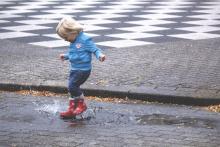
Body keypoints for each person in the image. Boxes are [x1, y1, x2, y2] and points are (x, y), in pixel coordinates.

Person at [56, 17, 106, 119]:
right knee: (71, 89)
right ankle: (72, 109)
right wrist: (66, 56)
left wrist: (100, 56)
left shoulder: (85, 39)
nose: (66, 40)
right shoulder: (73, 41)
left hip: (83, 70)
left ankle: (81, 104)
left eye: (66, 37)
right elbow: (74, 53)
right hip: (74, 69)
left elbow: (95, 50)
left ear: (73, 31)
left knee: (72, 86)